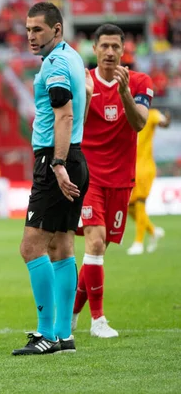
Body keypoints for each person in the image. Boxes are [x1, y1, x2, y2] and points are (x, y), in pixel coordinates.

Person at [13, 2, 88, 356]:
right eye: (28, 29)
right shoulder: (71, 57)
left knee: (31, 248)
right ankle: (63, 336)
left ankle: (46, 334)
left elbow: (65, 114)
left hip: (56, 159)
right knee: (61, 245)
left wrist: (57, 165)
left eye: (38, 29)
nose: (31, 36)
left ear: (57, 30)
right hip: (74, 157)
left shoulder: (56, 64)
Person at [73, 24, 154, 338]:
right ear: (94, 49)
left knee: (98, 250)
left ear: (124, 51)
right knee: (94, 242)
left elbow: (139, 124)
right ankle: (98, 321)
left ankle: (70, 315)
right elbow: (71, 126)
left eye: (115, 47)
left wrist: (124, 94)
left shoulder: (139, 82)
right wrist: (84, 99)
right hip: (88, 176)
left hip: (121, 179)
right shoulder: (83, 81)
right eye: (103, 46)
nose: (109, 52)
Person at [127, 109, 171, 255]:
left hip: (144, 167)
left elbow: (163, 122)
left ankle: (138, 243)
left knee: (140, 203)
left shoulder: (152, 114)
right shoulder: (127, 113)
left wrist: (167, 121)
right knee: (129, 207)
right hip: (130, 167)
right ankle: (153, 231)